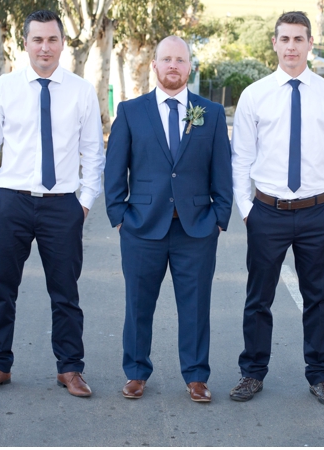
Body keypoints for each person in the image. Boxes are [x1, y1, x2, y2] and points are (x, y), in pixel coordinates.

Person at [0, 9, 105, 397]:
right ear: (25, 43)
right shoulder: (4, 88)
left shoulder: (81, 91)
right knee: (2, 288)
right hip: (10, 202)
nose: (45, 47)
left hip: (62, 206)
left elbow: (93, 153)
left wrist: (83, 203)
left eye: (52, 39)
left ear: (62, 43)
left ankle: (70, 369)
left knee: (65, 293)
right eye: (37, 40)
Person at [229, 11, 324, 407]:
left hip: (318, 212)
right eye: (285, 39)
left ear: (310, 44)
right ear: (275, 43)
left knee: (318, 297)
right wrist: (246, 208)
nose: (291, 47)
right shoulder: (255, 95)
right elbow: (241, 157)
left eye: (299, 39)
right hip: (267, 211)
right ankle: (252, 372)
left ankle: (319, 376)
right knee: (258, 298)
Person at [104, 36, 232, 403]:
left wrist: (219, 217)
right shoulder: (131, 111)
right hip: (142, 226)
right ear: (155, 65)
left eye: (180, 59)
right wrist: (119, 215)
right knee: (138, 304)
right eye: (166, 59)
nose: (173, 65)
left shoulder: (210, 113)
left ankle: (196, 376)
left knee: (196, 307)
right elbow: (115, 169)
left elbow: (222, 171)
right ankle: (136, 372)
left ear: (190, 67)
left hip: (197, 228)